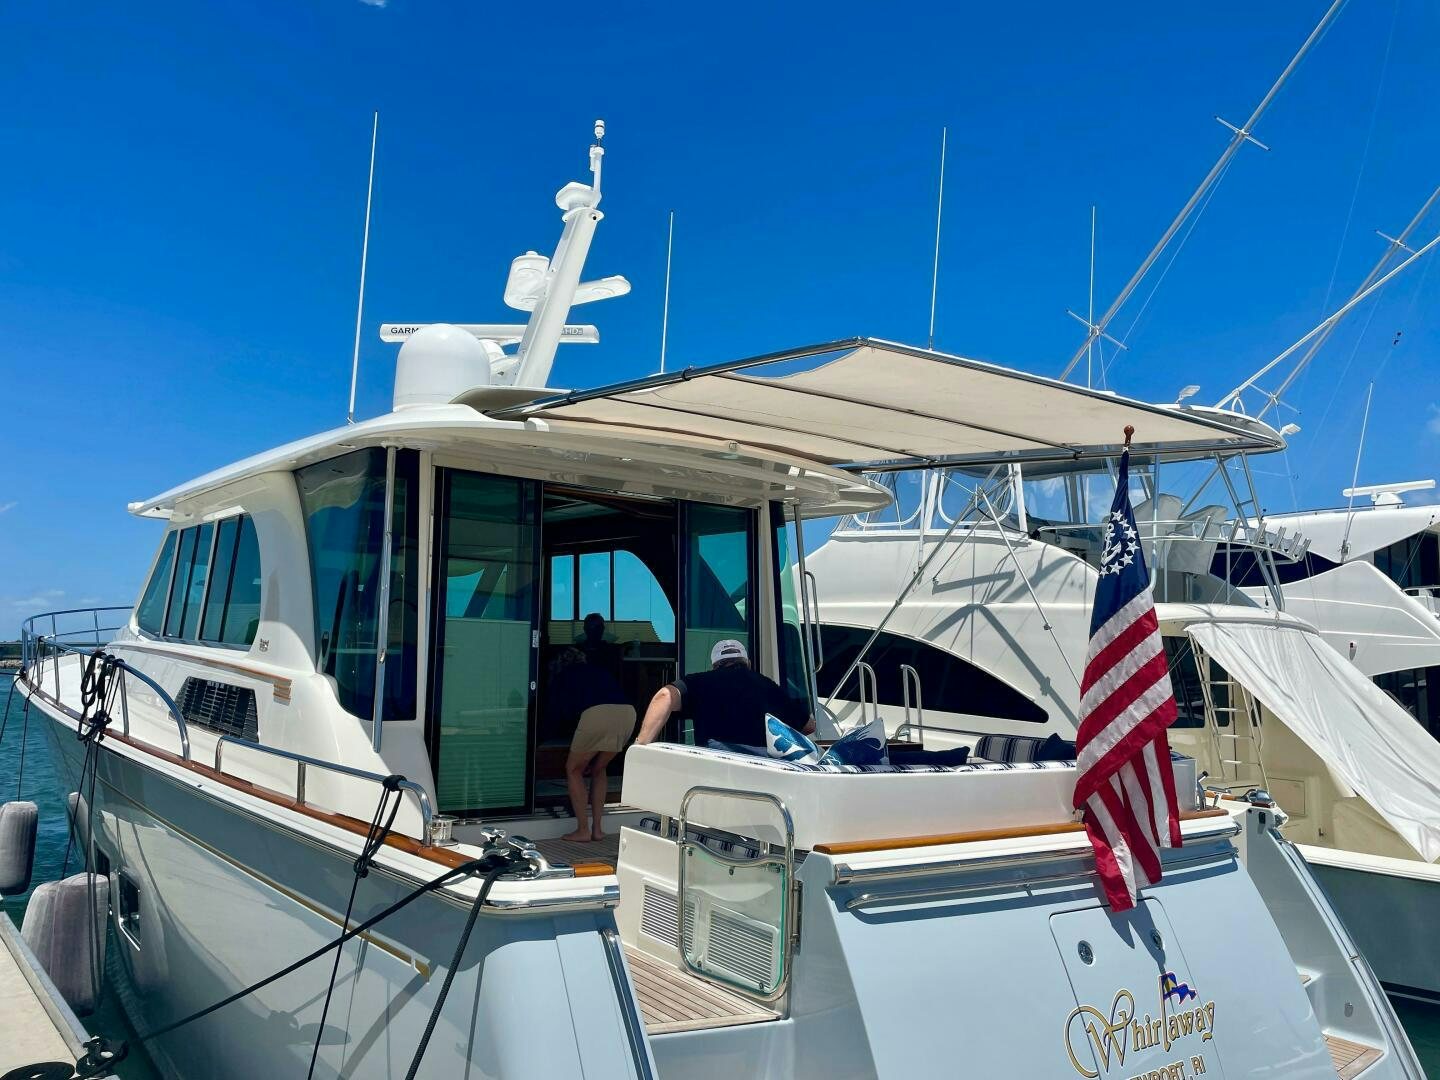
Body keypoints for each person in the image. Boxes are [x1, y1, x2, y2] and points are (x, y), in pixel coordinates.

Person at [636, 639, 813, 748]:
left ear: (715, 665)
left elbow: (664, 696)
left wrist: (641, 745)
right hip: (759, 773)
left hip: (715, 769)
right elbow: (808, 726)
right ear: (747, 663)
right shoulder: (768, 686)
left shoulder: (700, 682)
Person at [548, 648, 634, 842]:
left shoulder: (563, 675)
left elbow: (559, 712)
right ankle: (598, 829)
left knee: (573, 770)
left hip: (597, 715)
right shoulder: (599, 671)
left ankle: (582, 830)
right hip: (627, 713)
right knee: (599, 768)